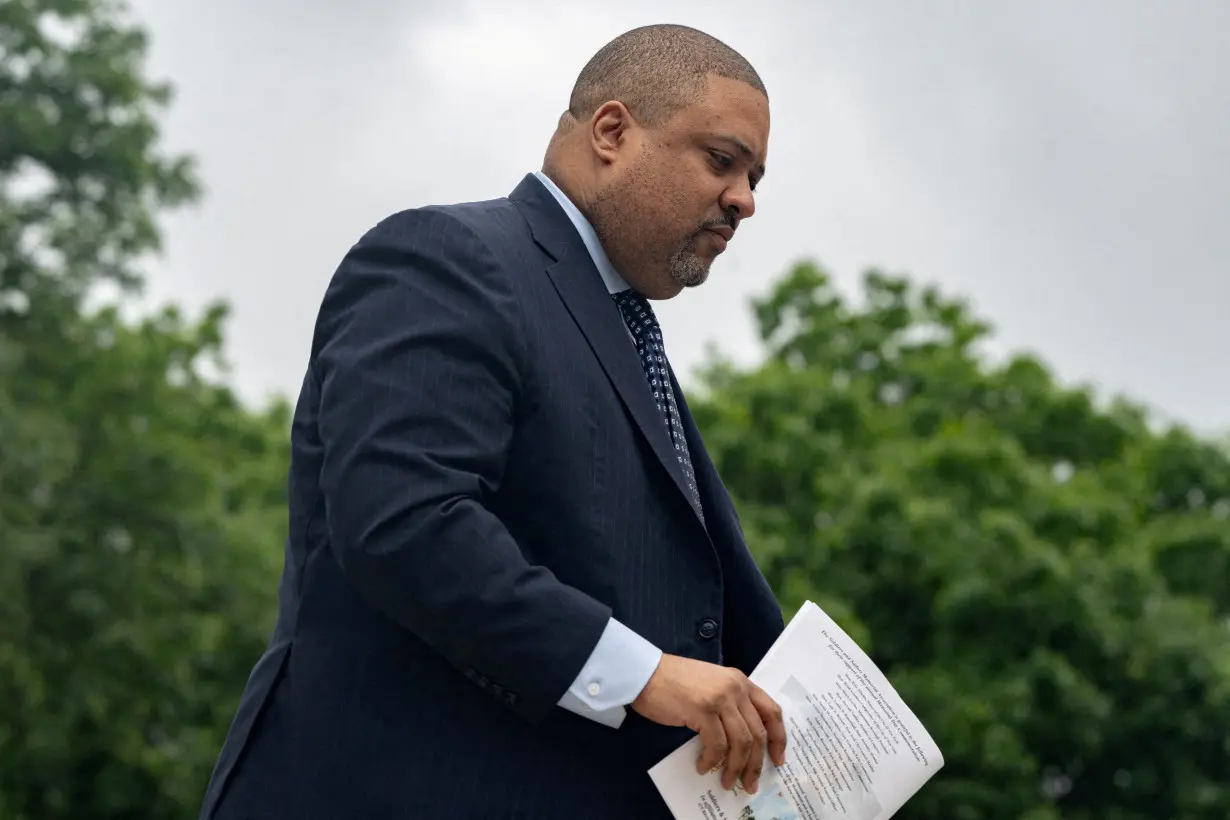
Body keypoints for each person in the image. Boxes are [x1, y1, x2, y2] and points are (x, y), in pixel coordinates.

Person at [200, 23, 787, 820]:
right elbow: (406, 523)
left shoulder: (622, 333)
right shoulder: (449, 258)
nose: (744, 200)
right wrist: (648, 675)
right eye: (722, 160)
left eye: (753, 176)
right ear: (612, 132)